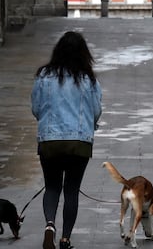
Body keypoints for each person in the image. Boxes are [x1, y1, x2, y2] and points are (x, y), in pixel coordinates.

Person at [31, 31, 102, 249]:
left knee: (52, 187)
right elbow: (96, 110)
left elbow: (35, 108)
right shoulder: (88, 79)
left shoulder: (44, 76)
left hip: (50, 141)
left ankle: (50, 225)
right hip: (78, 143)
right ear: (83, 54)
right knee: (71, 190)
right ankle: (65, 239)